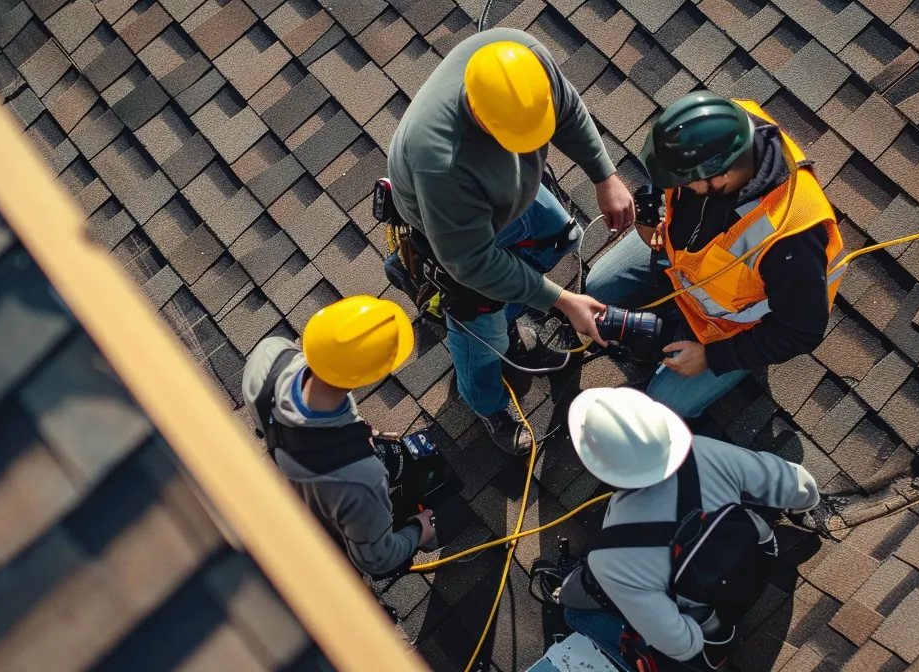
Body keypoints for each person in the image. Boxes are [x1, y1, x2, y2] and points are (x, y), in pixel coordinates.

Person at [386, 28, 636, 455]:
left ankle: (507, 313)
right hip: (458, 237)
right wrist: (561, 300)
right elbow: (473, 263)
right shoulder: (442, 163)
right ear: (482, 119)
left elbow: (569, 111)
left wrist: (604, 174)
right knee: (482, 333)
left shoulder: (520, 60)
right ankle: (487, 403)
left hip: (500, 198)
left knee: (562, 237)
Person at [584, 92, 844, 419]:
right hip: (683, 260)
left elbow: (800, 331)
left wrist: (713, 357)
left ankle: (730, 365)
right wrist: (651, 208)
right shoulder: (719, 125)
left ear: (721, 176)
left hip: (727, 330)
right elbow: (667, 170)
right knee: (598, 288)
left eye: (685, 182)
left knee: (663, 407)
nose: (679, 186)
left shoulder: (790, 238)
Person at [556, 387, 821, 670]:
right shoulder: (701, 451)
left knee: (574, 613)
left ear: (597, 468)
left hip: (712, 622)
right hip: (762, 557)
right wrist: (804, 503)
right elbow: (797, 485)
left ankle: (710, 657)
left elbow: (681, 645)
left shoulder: (610, 558)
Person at [241, 296, 434, 578]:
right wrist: (418, 531)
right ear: (370, 376)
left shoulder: (270, 355)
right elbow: (377, 560)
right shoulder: (361, 479)